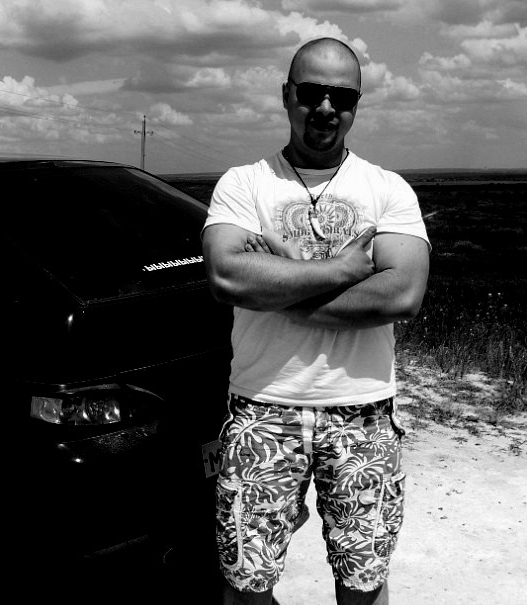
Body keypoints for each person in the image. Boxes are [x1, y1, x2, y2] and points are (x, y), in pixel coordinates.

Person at [201, 37, 430, 605]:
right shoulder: (243, 184)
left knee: (363, 586)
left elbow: (403, 293)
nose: (326, 108)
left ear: (356, 104)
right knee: (245, 586)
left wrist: (279, 282)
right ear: (287, 95)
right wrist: (345, 270)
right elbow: (228, 276)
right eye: (311, 93)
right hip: (262, 409)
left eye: (341, 96)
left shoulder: (388, 189)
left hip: (363, 414)